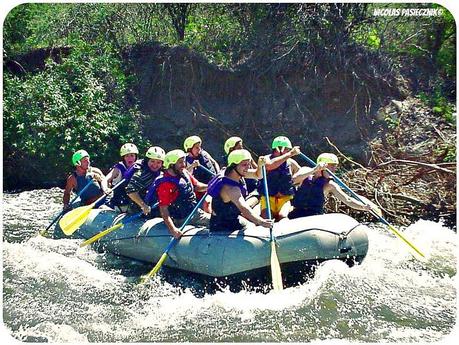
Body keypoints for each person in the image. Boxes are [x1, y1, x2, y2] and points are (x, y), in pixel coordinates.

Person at [288, 153, 379, 219]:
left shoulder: (330, 185)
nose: (334, 170)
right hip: (296, 213)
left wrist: (363, 207)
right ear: (323, 166)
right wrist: (314, 170)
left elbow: (348, 200)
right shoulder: (306, 171)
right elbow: (294, 180)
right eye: (331, 166)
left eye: (335, 167)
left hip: (314, 217)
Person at [208, 149, 273, 232]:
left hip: (233, 219)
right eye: (244, 164)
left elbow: (258, 175)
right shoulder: (230, 188)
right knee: (253, 225)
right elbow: (243, 208)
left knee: (252, 226)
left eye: (249, 164)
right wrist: (261, 222)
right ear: (234, 166)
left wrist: (260, 166)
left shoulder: (237, 172)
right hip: (222, 226)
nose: (248, 167)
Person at [155, 149, 210, 239]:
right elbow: (164, 210)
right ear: (171, 164)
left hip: (194, 212)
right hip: (182, 218)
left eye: (184, 161)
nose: (184, 165)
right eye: (180, 162)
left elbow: (197, 186)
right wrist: (173, 230)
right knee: (218, 223)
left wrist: (211, 186)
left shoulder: (183, 172)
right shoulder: (165, 184)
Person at [259, 136, 301, 221]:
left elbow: (301, 173)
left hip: (284, 198)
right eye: (287, 149)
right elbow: (269, 166)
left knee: (282, 216)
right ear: (279, 149)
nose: (288, 152)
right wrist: (290, 154)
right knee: (266, 217)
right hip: (268, 198)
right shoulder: (266, 159)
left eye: (289, 150)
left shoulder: (290, 162)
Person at [125, 146, 165, 217]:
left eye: (158, 162)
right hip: (138, 210)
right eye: (152, 161)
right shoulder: (142, 174)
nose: (155, 165)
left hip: (153, 207)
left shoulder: (160, 173)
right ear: (147, 161)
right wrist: (143, 205)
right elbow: (130, 190)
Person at [222, 136, 260, 208]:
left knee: (246, 206)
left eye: (242, 147)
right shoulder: (228, 165)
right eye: (239, 148)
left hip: (254, 191)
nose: (242, 150)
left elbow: (257, 170)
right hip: (238, 194)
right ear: (231, 150)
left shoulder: (246, 157)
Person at [102, 143, 140, 212]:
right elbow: (105, 180)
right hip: (117, 204)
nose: (130, 158)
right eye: (127, 156)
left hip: (131, 204)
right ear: (123, 158)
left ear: (135, 157)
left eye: (132, 155)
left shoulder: (138, 168)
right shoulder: (118, 168)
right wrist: (105, 189)